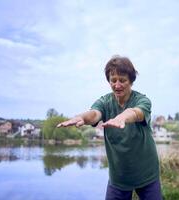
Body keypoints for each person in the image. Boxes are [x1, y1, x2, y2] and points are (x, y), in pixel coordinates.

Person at [57, 55, 162, 200]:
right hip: (119, 177)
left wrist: (122, 117)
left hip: (147, 174)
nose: (117, 85)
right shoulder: (105, 102)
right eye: (113, 80)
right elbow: (94, 114)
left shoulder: (142, 100)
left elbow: (136, 113)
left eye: (122, 80)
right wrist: (82, 117)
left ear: (131, 81)